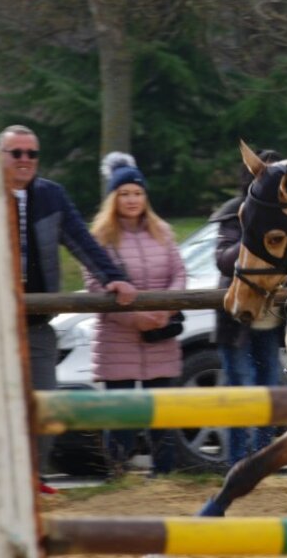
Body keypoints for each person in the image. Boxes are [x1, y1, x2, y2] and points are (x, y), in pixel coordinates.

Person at [0, 124, 137, 492]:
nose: (26, 160)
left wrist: (112, 277)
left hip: (38, 321)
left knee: (47, 404)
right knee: (2, 405)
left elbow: (82, 241)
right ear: (0, 157)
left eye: (32, 153)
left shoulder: (51, 196)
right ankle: (4, 482)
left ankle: (33, 477)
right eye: (17, 153)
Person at [84, 152, 187, 477]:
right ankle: (118, 473)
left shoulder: (163, 233)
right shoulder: (99, 239)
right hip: (119, 340)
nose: (132, 199)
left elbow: (179, 273)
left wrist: (164, 308)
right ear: (114, 198)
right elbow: (95, 285)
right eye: (125, 193)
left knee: (163, 409)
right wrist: (134, 318)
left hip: (160, 335)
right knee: (121, 414)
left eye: (137, 193)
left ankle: (165, 473)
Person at [212, 149, 287, 465]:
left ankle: (263, 461)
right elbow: (223, 258)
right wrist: (256, 236)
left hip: (271, 321)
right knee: (240, 391)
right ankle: (237, 462)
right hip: (238, 322)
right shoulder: (234, 211)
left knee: (269, 392)